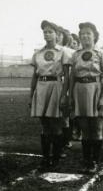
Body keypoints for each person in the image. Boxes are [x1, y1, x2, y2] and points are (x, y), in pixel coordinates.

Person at [69, 22, 103, 174]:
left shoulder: (102, 54)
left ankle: (94, 160)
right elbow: (72, 77)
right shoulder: (76, 55)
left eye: (88, 33)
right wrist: (71, 96)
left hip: (96, 90)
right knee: (85, 130)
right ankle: (87, 160)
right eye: (82, 34)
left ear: (94, 36)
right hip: (80, 91)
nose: (85, 36)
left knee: (97, 128)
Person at [30, 20, 71, 172]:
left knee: (55, 124)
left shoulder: (63, 52)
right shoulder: (38, 54)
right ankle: (46, 157)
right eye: (45, 32)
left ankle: (56, 156)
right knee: (44, 125)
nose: (47, 34)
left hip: (56, 87)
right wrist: (31, 95)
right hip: (41, 87)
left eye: (50, 32)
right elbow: (34, 76)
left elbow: (67, 76)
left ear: (57, 35)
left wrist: (64, 95)